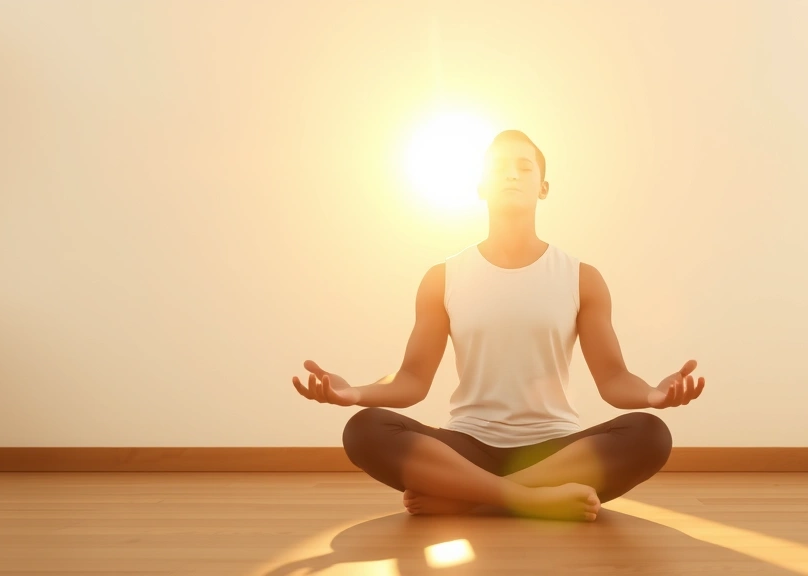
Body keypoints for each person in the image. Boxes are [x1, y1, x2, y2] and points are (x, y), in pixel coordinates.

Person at [292, 130, 705, 522]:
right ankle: (524, 498)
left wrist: (653, 394)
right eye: (499, 167)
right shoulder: (443, 277)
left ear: (543, 187)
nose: (511, 173)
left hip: (554, 450)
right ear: (480, 186)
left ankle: (466, 498)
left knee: (650, 435)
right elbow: (413, 380)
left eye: (525, 166)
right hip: (466, 446)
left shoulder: (581, 277)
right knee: (364, 429)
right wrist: (354, 394)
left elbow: (613, 378)